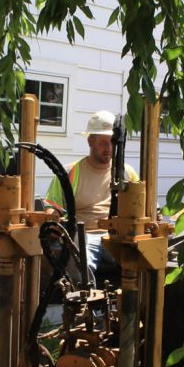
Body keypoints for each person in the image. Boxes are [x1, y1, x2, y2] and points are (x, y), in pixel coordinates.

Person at [44, 110, 139, 280]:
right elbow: (52, 207)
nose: (109, 149)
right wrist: (53, 216)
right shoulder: (69, 173)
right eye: (103, 143)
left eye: (112, 142)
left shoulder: (128, 173)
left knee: (142, 264)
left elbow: (140, 206)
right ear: (90, 141)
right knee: (81, 266)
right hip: (84, 236)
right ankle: (87, 304)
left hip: (117, 237)